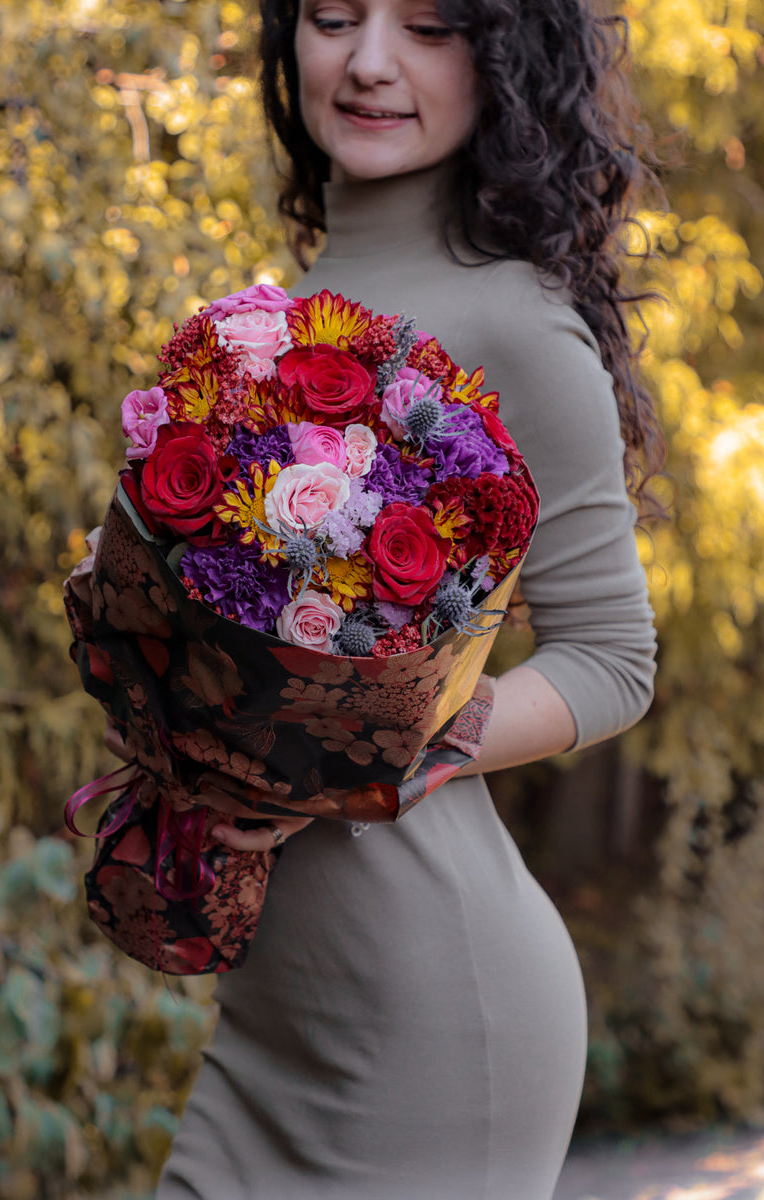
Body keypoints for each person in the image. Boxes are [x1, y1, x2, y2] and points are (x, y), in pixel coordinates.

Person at [152, 1, 661, 1196]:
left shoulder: (514, 326)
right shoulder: (271, 317)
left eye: (427, 25)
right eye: (332, 15)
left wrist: (368, 757)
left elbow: (611, 657)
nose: (368, 60)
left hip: (433, 1024)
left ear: (500, 58)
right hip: (271, 1021)